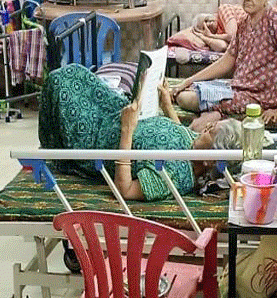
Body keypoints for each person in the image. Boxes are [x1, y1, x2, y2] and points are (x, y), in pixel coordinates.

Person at [39, 63, 218, 202]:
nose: (208, 127)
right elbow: (179, 132)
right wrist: (166, 106)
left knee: (58, 82)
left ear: (210, 161)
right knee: (74, 72)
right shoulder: (194, 147)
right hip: (116, 112)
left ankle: (55, 148)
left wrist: (126, 130)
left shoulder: (174, 177)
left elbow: (125, 189)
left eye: (211, 132)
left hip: (98, 137)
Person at [172, 0, 277, 128]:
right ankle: (214, 113)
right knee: (185, 90)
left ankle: (215, 114)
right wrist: (188, 80)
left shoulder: (275, 20)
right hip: (237, 89)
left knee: (186, 99)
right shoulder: (243, 23)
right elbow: (226, 61)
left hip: (260, 98)